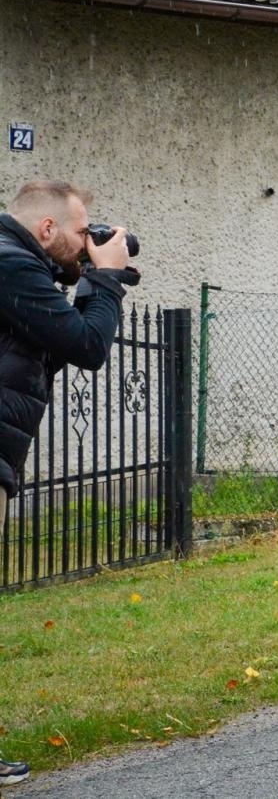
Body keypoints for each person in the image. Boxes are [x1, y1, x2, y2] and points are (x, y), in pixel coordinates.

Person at [0, 180, 137, 787]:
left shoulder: (18, 270)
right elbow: (87, 347)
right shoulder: (11, 266)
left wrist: (93, 278)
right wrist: (103, 280)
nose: (90, 242)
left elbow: (58, 343)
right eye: (83, 233)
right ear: (47, 230)